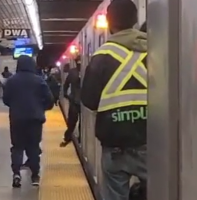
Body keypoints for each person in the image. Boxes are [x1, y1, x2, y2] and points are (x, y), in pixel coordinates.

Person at [81, 0, 147, 200]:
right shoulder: (155, 51)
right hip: (151, 141)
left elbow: (89, 100)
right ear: (135, 21)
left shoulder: (101, 56)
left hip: (114, 145)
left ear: (109, 23)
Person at [2, 55, 54, 188]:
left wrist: (15, 106)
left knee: (17, 147)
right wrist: (41, 108)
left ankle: (16, 174)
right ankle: (35, 176)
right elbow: (50, 100)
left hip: (17, 119)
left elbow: (6, 99)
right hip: (35, 120)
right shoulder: (39, 80)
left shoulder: (11, 81)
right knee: (33, 147)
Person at [60, 58, 82, 147]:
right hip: (78, 101)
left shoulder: (72, 72)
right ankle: (71, 137)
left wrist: (67, 95)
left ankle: (68, 137)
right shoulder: (87, 70)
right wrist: (66, 95)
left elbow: (65, 85)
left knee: (73, 121)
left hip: (75, 100)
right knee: (74, 121)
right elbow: (66, 85)